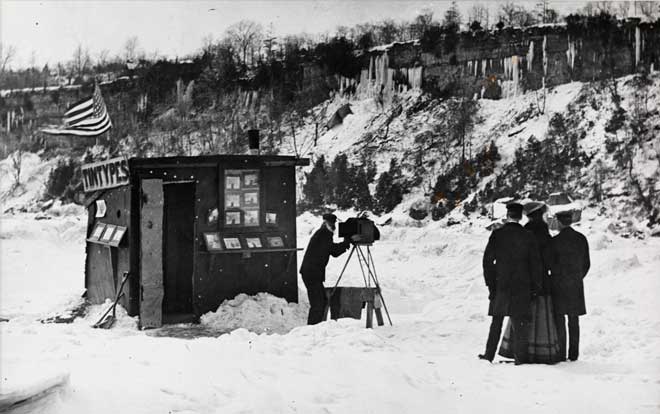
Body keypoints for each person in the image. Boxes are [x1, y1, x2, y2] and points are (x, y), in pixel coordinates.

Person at [479, 201, 543, 365]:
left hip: (501, 285)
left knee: (496, 321)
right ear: (521, 217)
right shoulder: (528, 236)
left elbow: (487, 262)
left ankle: (489, 355)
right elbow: (535, 265)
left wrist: (491, 285)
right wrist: (535, 287)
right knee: (520, 323)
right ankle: (520, 358)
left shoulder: (497, 234)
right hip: (522, 286)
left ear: (507, 216)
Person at [498, 202, 562, 364]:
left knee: (521, 316)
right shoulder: (544, 231)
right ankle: (541, 351)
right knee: (541, 314)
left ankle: (522, 352)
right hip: (542, 279)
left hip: (525, 280)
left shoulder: (527, 230)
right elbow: (548, 258)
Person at [549, 210, 590, 361]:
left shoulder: (554, 242)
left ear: (559, 222)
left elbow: (550, 264)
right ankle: (574, 354)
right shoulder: (581, 239)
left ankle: (561, 353)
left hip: (558, 285)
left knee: (559, 319)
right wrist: (578, 277)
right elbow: (586, 264)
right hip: (575, 284)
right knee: (574, 321)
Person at [300, 213, 350, 325]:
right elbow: (334, 251)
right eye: (333, 224)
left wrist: (345, 243)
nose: (334, 227)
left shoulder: (322, 233)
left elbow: (332, 250)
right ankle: (312, 328)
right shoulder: (324, 234)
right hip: (312, 273)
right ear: (328, 224)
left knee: (320, 301)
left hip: (311, 273)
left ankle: (315, 326)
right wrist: (347, 242)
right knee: (318, 303)